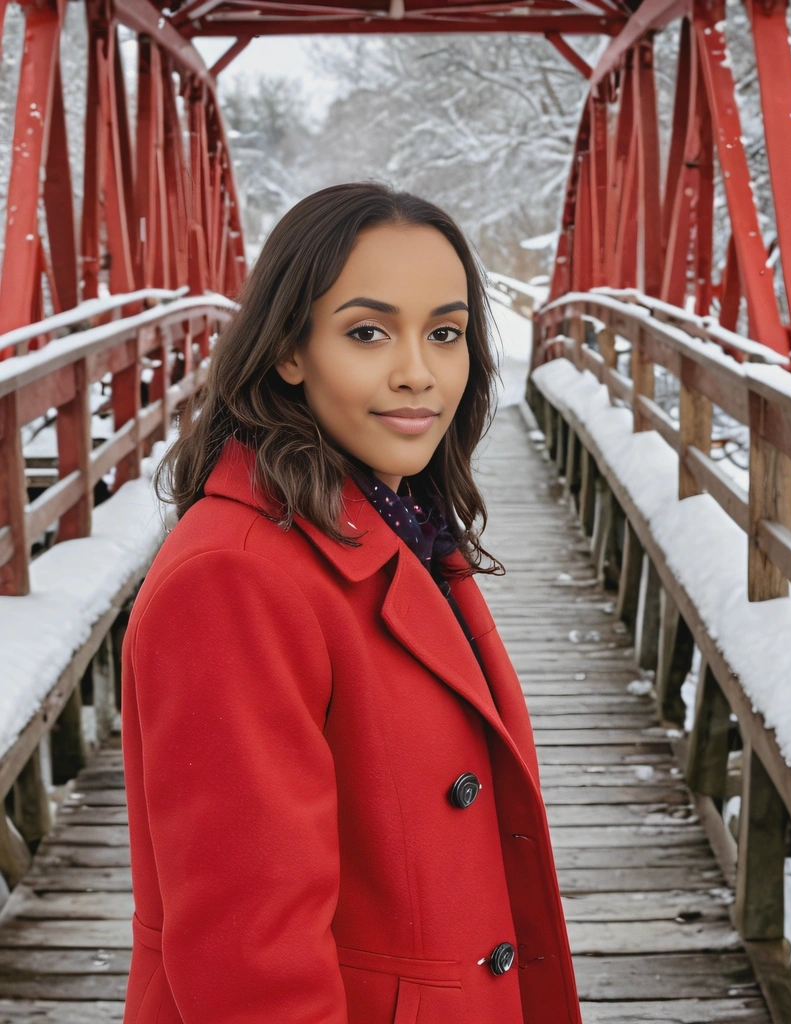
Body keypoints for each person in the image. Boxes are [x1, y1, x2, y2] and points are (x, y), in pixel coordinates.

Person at [119, 182, 583, 1024]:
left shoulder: (395, 520)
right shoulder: (235, 581)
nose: (418, 373)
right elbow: (250, 968)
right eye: (367, 332)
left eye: (445, 333)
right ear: (290, 350)